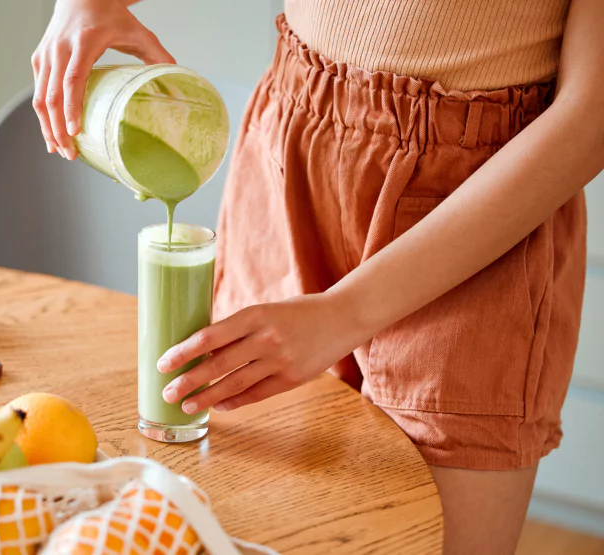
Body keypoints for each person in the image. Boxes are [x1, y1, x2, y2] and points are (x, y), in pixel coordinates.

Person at [31, 1, 603, 553]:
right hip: (291, 178)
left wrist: (345, 312)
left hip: (475, 236)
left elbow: (592, 120)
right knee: (252, 527)